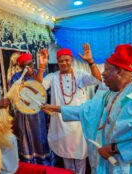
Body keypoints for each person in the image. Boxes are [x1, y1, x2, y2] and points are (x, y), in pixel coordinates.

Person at [42, 44, 132, 173]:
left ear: (119, 72)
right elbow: (86, 110)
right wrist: (54, 108)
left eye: (106, 70)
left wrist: (114, 148)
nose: (103, 74)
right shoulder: (110, 93)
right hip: (112, 164)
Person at [37, 43, 102, 174]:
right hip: (61, 123)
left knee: (80, 160)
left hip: (79, 123)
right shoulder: (53, 77)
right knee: (67, 160)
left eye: (66, 60)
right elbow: (38, 88)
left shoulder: (80, 75)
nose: (64, 63)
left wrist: (90, 62)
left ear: (71, 60)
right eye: (61, 61)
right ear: (57, 62)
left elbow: (97, 80)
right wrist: (42, 67)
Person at [9, 51, 52, 165]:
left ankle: (44, 164)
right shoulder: (16, 77)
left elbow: (42, 89)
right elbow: (15, 94)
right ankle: (29, 163)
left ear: (33, 64)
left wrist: (34, 75)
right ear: (20, 67)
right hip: (24, 115)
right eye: (24, 66)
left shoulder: (40, 73)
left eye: (30, 64)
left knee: (40, 135)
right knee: (26, 138)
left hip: (38, 114)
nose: (28, 68)